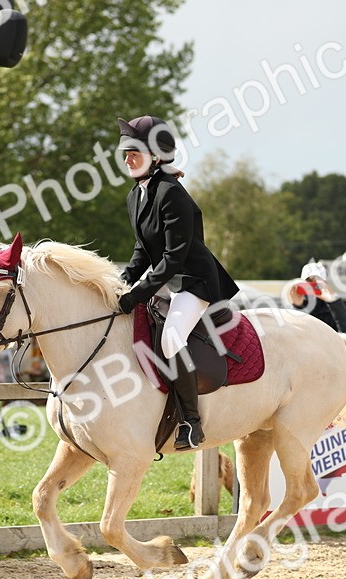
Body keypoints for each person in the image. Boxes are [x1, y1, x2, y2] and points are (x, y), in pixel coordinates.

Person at [114, 115, 240, 451]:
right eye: (125, 153)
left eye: (134, 153)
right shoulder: (136, 195)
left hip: (194, 282)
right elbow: (143, 250)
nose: (127, 159)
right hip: (169, 280)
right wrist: (121, 282)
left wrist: (138, 293)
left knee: (171, 338)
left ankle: (191, 423)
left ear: (156, 156)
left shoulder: (172, 194)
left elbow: (173, 257)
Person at [286, 261, 346, 337]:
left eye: (318, 282)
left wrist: (333, 302)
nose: (314, 285)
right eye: (309, 282)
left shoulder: (334, 308)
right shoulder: (299, 305)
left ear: (325, 283)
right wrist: (297, 306)